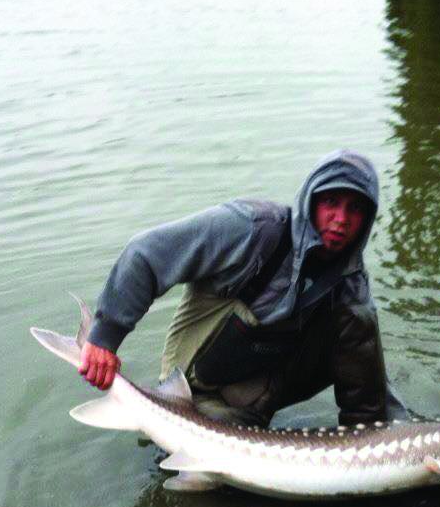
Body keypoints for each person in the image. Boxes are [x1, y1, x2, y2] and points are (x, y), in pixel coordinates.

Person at [79, 149, 407, 428]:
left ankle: (252, 418)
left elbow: (368, 391)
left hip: (256, 391)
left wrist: (383, 441)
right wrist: (105, 338)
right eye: (331, 202)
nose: (341, 219)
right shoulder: (251, 229)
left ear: (367, 219)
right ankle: (179, 414)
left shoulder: (351, 286)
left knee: (357, 320)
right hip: (190, 390)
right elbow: (146, 254)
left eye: (355, 209)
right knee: (222, 482)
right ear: (311, 200)